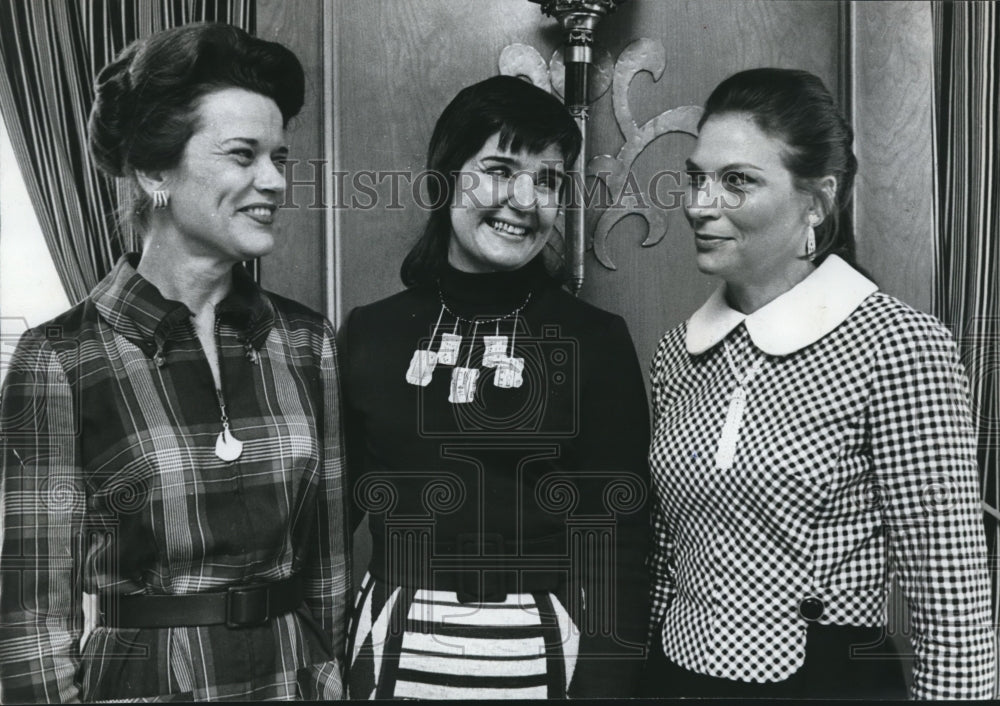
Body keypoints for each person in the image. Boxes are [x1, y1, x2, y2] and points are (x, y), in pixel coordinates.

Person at [0, 24, 349, 702]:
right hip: (144, 684)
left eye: (279, 156)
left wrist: (328, 680)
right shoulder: (60, 358)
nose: (274, 181)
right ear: (154, 171)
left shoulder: (308, 343)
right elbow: (31, 627)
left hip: (292, 679)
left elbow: (328, 572)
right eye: (244, 155)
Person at [642, 67, 997, 700]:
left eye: (737, 181)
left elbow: (953, 604)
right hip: (676, 679)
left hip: (826, 682)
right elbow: (666, 564)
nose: (700, 203)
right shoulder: (678, 352)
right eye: (697, 177)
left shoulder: (898, 346)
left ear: (818, 200)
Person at [341, 75, 650, 699]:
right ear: (444, 178)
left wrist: (606, 686)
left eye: (548, 181)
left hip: (540, 657)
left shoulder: (595, 339)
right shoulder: (370, 331)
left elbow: (621, 539)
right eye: (499, 169)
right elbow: (332, 518)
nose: (524, 200)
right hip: (391, 652)